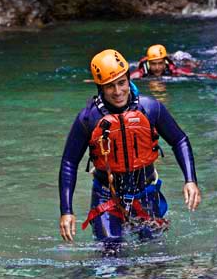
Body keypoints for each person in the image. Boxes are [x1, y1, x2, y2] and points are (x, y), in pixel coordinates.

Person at [59, 48, 201, 249]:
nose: (117, 92)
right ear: (100, 87)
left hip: (146, 192)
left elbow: (179, 140)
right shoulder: (88, 118)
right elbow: (69, 163)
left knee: (154, 253)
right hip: (106, 195)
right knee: (110, 251)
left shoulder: (150, 108)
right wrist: (66, 210)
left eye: (121, 83)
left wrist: (190, 181)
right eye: (109, 86)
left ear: (128, 78)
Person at [131, 44, 217, 79]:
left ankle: (176, 56)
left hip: (177, 60)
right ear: (148, 63)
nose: (157, 68)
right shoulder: (140, 72)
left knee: (193, 65)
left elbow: (193, 74)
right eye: (153, 64)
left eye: (160, 63)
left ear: (165, 62)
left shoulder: (172, 69)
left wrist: (211, 76)